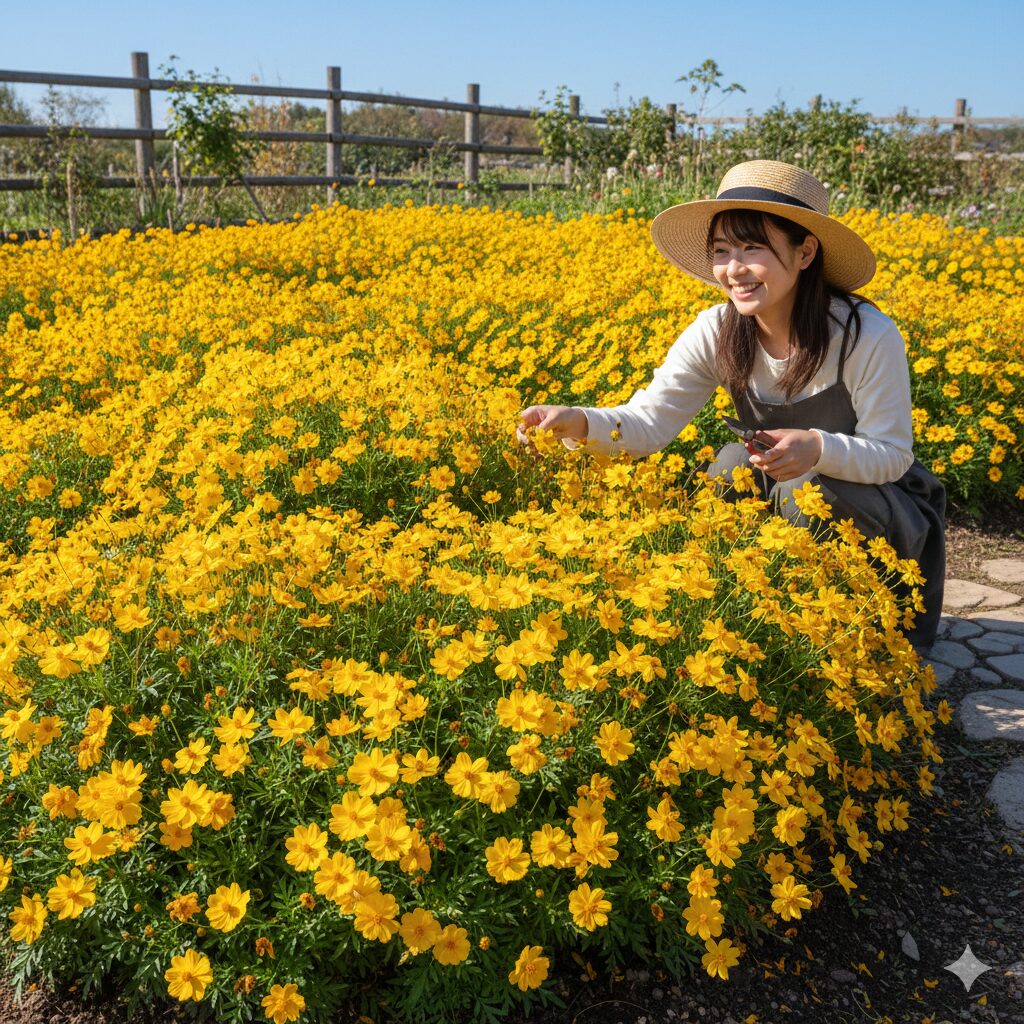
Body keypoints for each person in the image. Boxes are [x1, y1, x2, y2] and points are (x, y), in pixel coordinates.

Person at [516, 160, 945, 650]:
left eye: (752, 248)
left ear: (805, 252)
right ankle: (751, 631)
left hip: (881, 506)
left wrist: (818, 448)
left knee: (805, 492)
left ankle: (850, 640)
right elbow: (648, 422)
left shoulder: (864, 334)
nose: (733, 269)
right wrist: (575, 421)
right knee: (728, 468)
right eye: (721, 251)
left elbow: (892, 454)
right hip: (787, 486)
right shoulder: (716, 330)